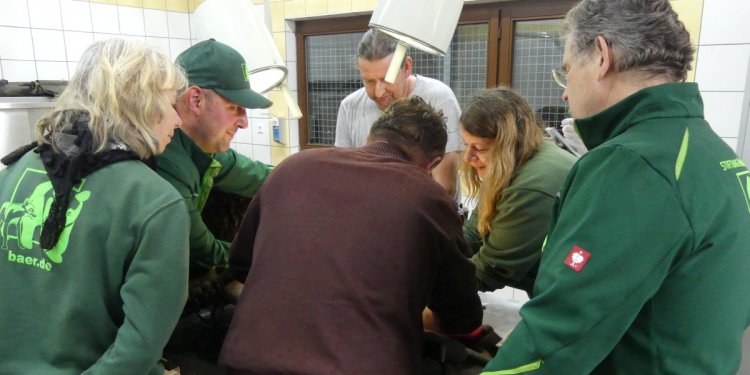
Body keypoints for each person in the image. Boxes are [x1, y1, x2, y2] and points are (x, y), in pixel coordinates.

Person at [482, 0, 750, 374]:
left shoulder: (633, 165)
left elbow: (560, 336)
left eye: (567, 70)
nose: (563, 93)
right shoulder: (710, 151)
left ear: (602, 57)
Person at [220, 96, 484, 374]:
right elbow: (462, 316)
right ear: (434, 163)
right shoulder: (428, 197)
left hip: (248, 361)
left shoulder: (292, 167)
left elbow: (240, 265)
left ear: (370, 136)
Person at [0, 38, 189, 374]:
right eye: (171, 103)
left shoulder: (13, 172)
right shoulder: (156, 202)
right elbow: (141, 344)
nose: (178, 119)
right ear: (140, 103)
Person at [155, 38, 273, 277]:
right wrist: (274, 261)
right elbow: (202, 252)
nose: (244, 122)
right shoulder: (165, 162)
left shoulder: (206, 152)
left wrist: (309, 175)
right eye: (234, 107)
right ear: (195, 100)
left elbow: (262, 176)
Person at [460, 87, 576, 296]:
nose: (468, 157)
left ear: (507, 144)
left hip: (578, 296)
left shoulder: (532, 186)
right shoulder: (512, 161)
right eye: (466, 145)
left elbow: (488, 271)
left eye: (479, 148)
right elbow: (475, 232)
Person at [335, 29, 462, 199]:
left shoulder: (439, 97)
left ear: (407, 67)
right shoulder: (349, 107)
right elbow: (343, 175)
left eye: (387, 79)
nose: (379, 92)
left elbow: (444, 187)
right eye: (369, 81)